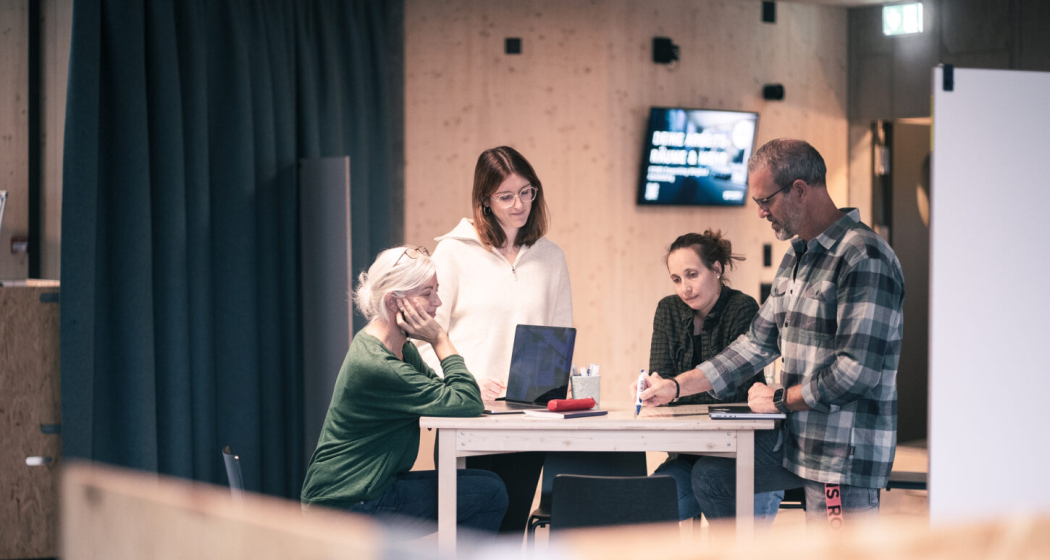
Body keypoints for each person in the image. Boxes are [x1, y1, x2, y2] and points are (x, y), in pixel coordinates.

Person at [636, 139, 905, 529]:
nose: (760, 212)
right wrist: (676, 386)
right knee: (713, 477)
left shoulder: (863, 256)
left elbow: (855, 372)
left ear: (799, 189)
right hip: (794, 442)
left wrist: (779, 399)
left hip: (840, 454)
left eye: (766, 200)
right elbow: (753, 345)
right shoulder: (796, 256)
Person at [415, 146, 572, 534]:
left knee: (510, 533)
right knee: (467, 539)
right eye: (505, 196)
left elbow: (559, 338)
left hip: (527, 421)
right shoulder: (453, 252)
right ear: (485, 201)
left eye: (526, 192)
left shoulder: (551, 257)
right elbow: (423, 339)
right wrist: (463, 383)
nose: (519, 204)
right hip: (468, 415)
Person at [301, 245, 508, 534]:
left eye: (436, 290)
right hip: (348, 505)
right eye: (427, 293)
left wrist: (459, 386)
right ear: (395, 301)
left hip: (368, 487)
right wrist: (438, 337)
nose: (437, 302)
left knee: (486, 484)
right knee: (490, 493)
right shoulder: (378, 365)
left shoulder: (398, 348)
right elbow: (466, 400)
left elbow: (450, 394)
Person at [647, 231, 784, 523]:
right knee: (644, 506)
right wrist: (656, 390)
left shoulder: (742, 307)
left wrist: (675, 389)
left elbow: (735, 392)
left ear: (717, 269)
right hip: (688, 453)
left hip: (738, 449)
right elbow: (662, 385)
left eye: (692, 274)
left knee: (707, 479)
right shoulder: (667, 310)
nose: (685, 288)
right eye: (676, 279)